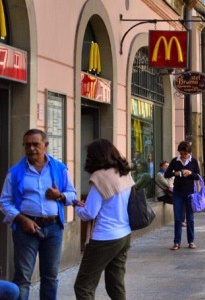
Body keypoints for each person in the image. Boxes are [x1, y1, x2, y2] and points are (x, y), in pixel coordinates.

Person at [0, 128, 78, 299]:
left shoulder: (59, 168)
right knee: (23, 278)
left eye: (36, 144)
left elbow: (73, 194)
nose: (31, 148)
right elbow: (4, 202)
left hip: (53, 228)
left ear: (46, 145)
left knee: (50, 277)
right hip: (26, 230)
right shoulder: (15, 172)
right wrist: (21, 219)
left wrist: (60, 195)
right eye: (27, 145)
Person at [73, 139, 134, 300]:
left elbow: (89, 213)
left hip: (104, 237)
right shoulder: (124, 172)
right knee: (116, 285)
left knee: (83, 286)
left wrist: (76, 205)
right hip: (124, 233)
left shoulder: (99, 178)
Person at [164, 141, 200, 250]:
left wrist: (190, 173)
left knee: (190, 218)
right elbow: (166, 174)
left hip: (190, 193)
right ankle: (176, 242)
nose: (183, 156)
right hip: (178, 192)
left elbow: (197, 176)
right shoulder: (175, 161)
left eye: (185, 154)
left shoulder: (193, 161)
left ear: (189, 153)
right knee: (178, 218)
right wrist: (175, 173)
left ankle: (191, 241)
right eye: (182, 154)